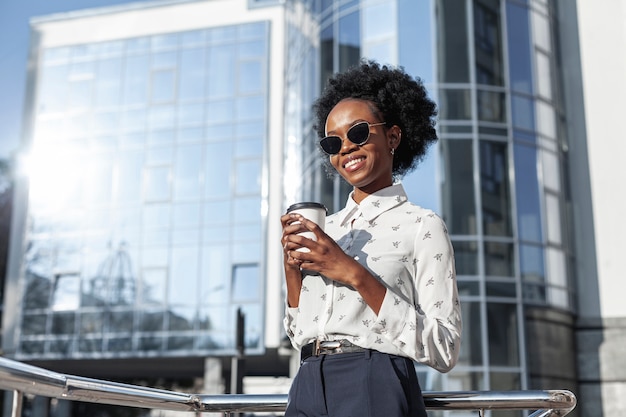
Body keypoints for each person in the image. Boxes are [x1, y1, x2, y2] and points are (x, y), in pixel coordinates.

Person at [280, 60, 462, 417]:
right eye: (333, 141)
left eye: (358, 133)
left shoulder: (422, 225)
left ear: (393, 136)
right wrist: (292, 273)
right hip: (305, 383)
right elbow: (301, 332)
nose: (345, 148)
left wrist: (354, 274)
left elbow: (445, 348)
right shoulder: (325, 229)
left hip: (373, 381)